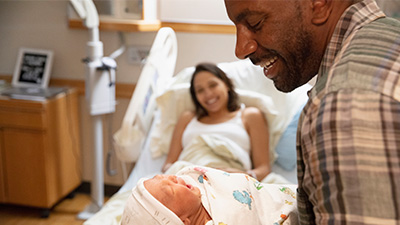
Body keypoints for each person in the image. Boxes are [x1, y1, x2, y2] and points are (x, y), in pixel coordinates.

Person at [224, 0, 400, 224]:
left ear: (319, 4)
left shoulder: (344, 106)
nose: (241, 49)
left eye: (255, 23)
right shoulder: (389, 36)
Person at [162, 63, 272, 181]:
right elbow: (169, 165)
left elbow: (263, 168)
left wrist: (241, 176)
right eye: (200, 90)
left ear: (227, 85)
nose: (208, 94)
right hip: (188, 178)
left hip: (231, 179)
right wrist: (185, 173)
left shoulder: (250, 116)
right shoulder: (187, 118)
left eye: (213, 85)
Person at [121, 166, 298, 225]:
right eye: (172, 189)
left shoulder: (197, 180)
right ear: (182, 220)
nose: (174, 177)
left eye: (163, 176)